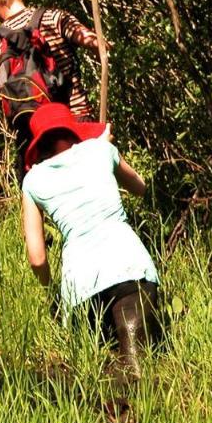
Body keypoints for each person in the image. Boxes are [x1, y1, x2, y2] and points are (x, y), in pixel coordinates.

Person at [20, 102, 161, 375]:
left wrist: (53, 293)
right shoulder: (100, 150)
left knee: (96, 369)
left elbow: (37, 259)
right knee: (136, 362)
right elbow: (140, 187)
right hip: (130, 267)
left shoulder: (33, 180)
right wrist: (104, 150)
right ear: (73, 131)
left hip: (80, 286)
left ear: (41, 146)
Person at [0, 0, 104, 179]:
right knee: (89, 189)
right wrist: (102, 45)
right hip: (76, 120)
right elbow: (88, 38)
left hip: (34, 134)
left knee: (43, 199)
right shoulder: (53, 18)